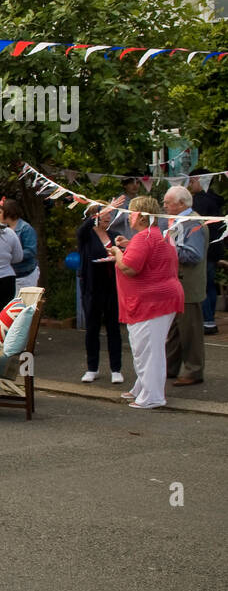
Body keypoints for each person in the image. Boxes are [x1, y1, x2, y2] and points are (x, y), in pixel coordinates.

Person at [104, 196, 183, 410]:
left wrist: (118, 252)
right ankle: (142, 388)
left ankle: (153, 396)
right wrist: (127, 247)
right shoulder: (157, 235)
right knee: (149, 347)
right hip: (162, 297)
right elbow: (148, 259)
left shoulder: (144, 238)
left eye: (131, 213)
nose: (128, 217)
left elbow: (130, 268)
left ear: (139, 215)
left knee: (147, 350)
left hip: (151, 300)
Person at [162, 185, 206, 387]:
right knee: (174, 331)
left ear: (181, 204)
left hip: (188, 286)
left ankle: (193, 371)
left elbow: (194, 255)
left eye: (167, 202)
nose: (164, 205)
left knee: (190, 330)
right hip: (176, 284)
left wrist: (167, 249)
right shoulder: (180, 221)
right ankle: (169, 367)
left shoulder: (193, 223)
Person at [76, 207, 124, 384]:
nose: (108, 218)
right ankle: (92, 368)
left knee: (113, 328)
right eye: (104, 215)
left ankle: (116, 369)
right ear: (94, 218)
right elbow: (81, 230)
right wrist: (95, 214)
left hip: (112, 287)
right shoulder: (86, 235)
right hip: (92, 287)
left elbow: (123, 255)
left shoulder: (115, 234)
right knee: (92, 328)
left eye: (110, 215)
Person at [190, 169, 223, 335]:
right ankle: (210, 320)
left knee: (202, 285)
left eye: (192, 181)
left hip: (204, 248)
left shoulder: (200, 202)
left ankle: (207, 320)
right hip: (215, 248)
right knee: (209, 285)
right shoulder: (215, 200)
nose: (190, 185)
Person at [0, 198, 39, 292]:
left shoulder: (25, 228)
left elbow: (30, 251)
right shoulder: (5, 230)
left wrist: (12, 255)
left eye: (0, 212)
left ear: (8, 213)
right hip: (12, 275)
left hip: (26, 274)